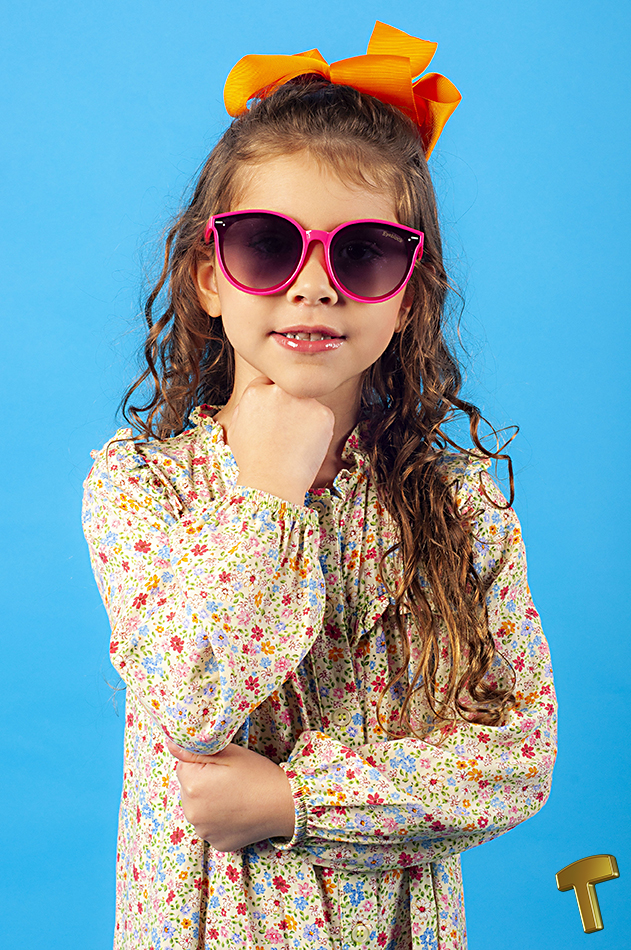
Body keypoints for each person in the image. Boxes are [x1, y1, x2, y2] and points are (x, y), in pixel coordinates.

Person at [82, 21, 557, 950]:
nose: (313, 287)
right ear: (208, 277)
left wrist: (295, 800)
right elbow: (188, 703)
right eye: (268, 246)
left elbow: (515, 761)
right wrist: (266, 493)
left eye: (362, 252)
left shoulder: (462, 509)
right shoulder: (141, 488)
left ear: (409, 294)